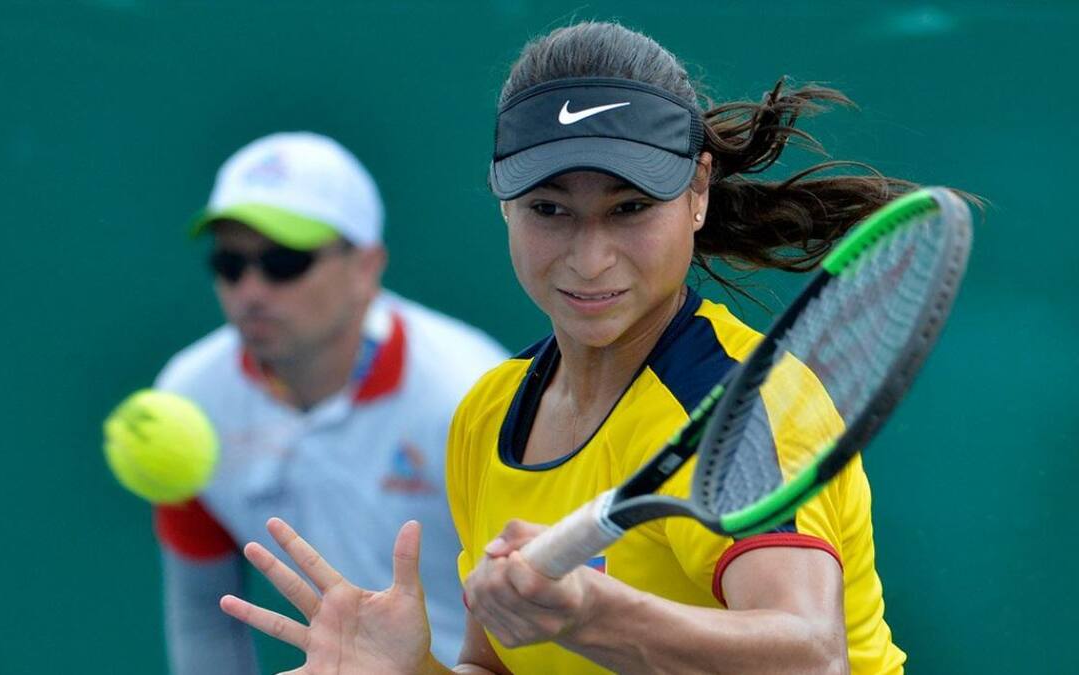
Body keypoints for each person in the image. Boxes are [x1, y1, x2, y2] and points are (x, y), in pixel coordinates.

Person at [220, 22, 914, 674]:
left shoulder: (738, 407)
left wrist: (595, 615)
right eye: (549, 210)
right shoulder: (489, 412)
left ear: (697, 191)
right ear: (505, 205)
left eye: (629, 208)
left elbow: (813, 657)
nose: (589, 259)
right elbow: (495, 664)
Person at [153, 131, 507, 673]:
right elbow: (204, 615)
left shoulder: (467, 395)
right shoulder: (189, 399)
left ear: (366, 266)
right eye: (229, 264)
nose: (251, 290)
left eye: (284, 262)